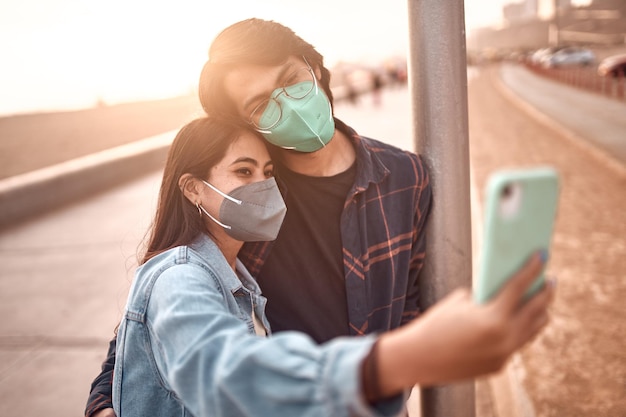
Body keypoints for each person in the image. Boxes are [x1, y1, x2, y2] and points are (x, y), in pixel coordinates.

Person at [85, 18, 554, 416]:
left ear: (316, 68)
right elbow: (167, 305)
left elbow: (414, 300)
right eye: (262, 104)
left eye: (291, 79)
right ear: (249, 126)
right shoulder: (250, 200)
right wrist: (106, 398)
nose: (289, 103)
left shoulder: (406, 177)